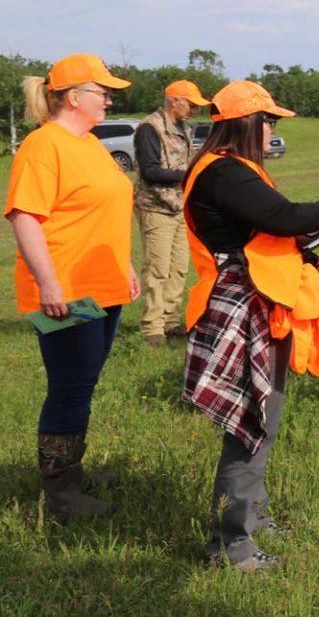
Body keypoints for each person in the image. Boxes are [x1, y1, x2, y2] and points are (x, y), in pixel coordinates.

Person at [180, 80, 319, 572]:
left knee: (263, 420)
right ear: (248, 123)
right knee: (249, 425)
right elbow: (282, 218)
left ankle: (253, 519)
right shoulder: (223, 172)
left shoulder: (232, 169)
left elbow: (276, 224)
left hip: (257, 302)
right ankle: (232, 547)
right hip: (240, 305)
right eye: (270, 121)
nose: (273, 129)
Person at [5, 53, 138, 521]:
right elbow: (25, 217)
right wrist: (48, 283)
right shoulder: (44, 146)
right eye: (102, 92)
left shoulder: (90, 143)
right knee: (70, 385)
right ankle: (60, 491)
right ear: (73, 97)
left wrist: (124, 265)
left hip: (102, 287)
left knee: (84, 380)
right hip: (68, 292)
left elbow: (99, 210)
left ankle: (71, 471)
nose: (108, 98)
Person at [134, 79, 210, 346]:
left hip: (179, 207)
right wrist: (188, 175)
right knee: (158, 268)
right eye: (190, 105)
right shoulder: (149, 128)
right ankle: (152, 328)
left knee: (178, 268)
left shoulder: (183, 128)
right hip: (156, 207)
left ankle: (171, 321)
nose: (193, 111)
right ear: (174, 101)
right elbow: (150, 171)